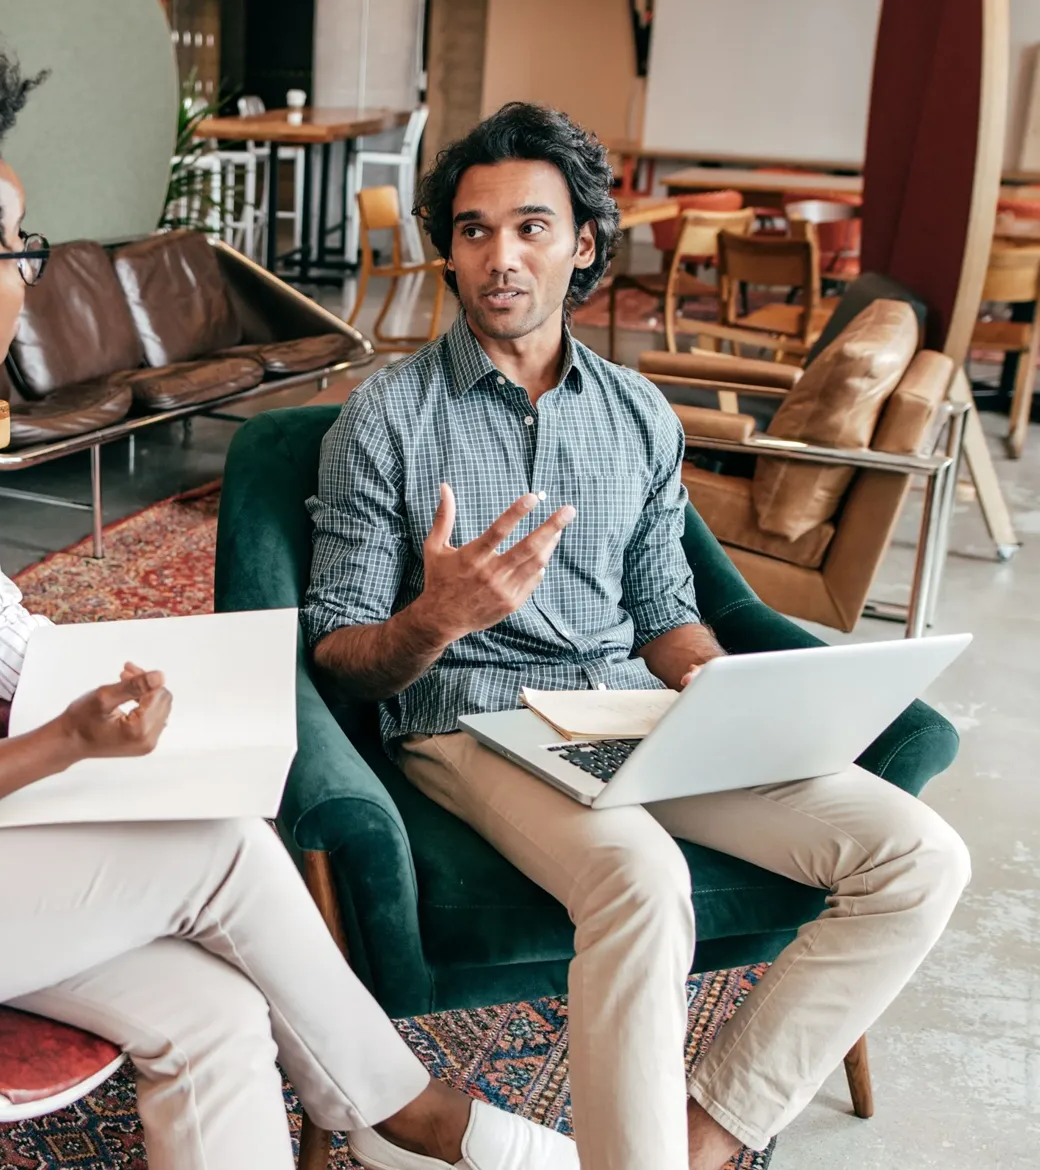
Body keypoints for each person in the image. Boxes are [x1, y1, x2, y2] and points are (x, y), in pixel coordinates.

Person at [0, 36, 581, 1170]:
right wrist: (57, 750)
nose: (34, 268)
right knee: (219, 847)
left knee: (216, 1016)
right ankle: (405, 1116)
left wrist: (109, 684)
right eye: (16, 244)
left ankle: (378, 1118)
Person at [302, 102, 971, 1170]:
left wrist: (725, 694)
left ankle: (704, 1136)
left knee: (919, 857)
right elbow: (338, 647)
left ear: (584, 245)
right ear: (450, 250)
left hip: (631, 710)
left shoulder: (639, 416)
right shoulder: (385, 419)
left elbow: (664, 609)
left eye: (531, 226)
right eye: (474, 230)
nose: (501, 256)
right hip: (468, 721)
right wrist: (441, 616)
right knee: (643, 878)